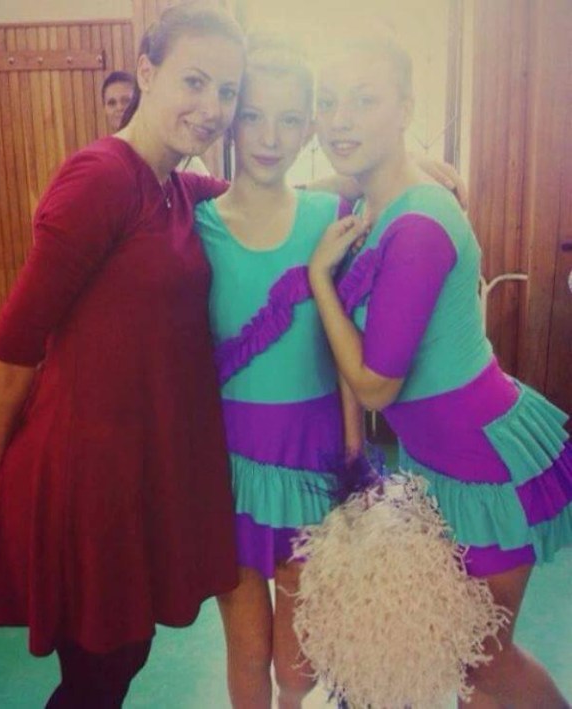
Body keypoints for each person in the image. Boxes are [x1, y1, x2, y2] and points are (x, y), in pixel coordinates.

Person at [0, 4, 245, 707]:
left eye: (226, 91)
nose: (212, 107)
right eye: (194, 81)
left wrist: (394, 171)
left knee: (117, 664)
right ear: (147, 73)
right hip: (83, 481)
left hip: (134, 475)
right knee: (97, 679)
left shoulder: (178, 187)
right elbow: (9, 350)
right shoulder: (101, 178)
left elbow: (269, 201)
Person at [194, 36, 468, 709]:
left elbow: (349, 345)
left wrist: (352, 451)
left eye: (290, 119)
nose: (270, 137)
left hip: (313, 461)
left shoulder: (332, 217)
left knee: (297, 666)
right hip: (227, 465)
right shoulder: (199, 224)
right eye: (254, 116)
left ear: (309, 127)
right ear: (232, 121)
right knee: (247, 654)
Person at [308, 32, 572, 708]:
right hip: (441, 461)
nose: (339, 119)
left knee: (484, 658)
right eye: (327, 102)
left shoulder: (419, 222)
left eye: (364, 101)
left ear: (404, 109)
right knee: (462, 656)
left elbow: (376, 386)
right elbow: (314, 183)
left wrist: (319, 281)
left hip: (483, 462)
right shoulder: (376, 202)